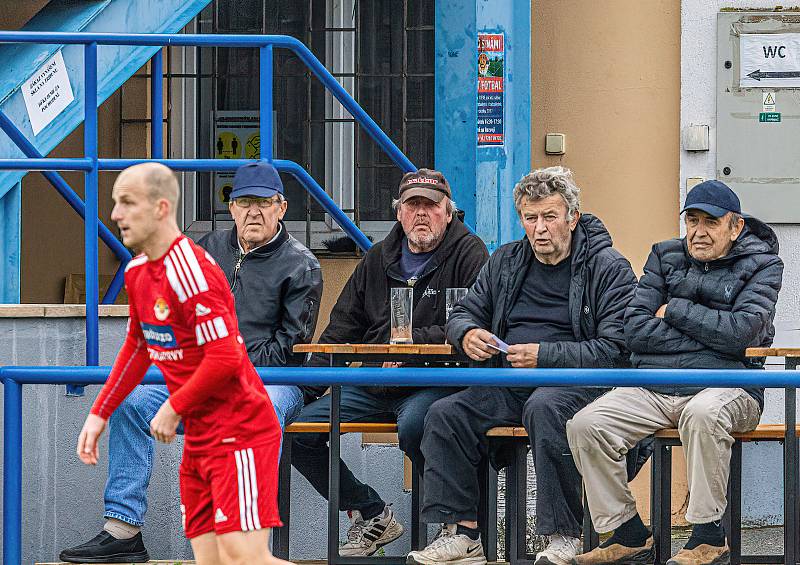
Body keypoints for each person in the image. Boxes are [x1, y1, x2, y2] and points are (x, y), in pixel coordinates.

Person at [61, 161, 321, 563]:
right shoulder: (205, 249)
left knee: (262, 410)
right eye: (244, 203)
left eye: (264, 203)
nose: (253, 212)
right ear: (231, 208)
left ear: (281, 208)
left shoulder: (302, 264)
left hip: (272, 379)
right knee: (135, 404)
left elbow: (287, 349)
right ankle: (123, 528)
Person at [405, 166, 637, 565]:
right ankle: (463, 534)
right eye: (531, 218)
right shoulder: (507, 260)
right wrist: (465, 334)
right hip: (508, 378)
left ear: (572, 217)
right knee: (444, 414)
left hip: (578, 382)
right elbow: (465, 311)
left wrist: (544, 355)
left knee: (544, 408)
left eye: (549, 216)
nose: (540, 228)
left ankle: (564, 535)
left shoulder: (608, 267)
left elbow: (617, 348)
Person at [568, 180, 784, 565]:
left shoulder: (765, 264)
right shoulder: (664, 256)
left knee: (703, 413)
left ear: (735, 227)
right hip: (657, 385)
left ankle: (707, 537)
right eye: (692, 221)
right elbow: (633, 329)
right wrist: (709, 338)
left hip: (731, 386)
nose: (698, 232)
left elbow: (742, 334)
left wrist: (676, 311)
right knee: (586, 423)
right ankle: (627, 533)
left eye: (711, 223)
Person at [291, 168, 489, 556]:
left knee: (419, 425)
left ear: (448, 212)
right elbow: (342, 326)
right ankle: (372, 513)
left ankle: (460, 528)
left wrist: (410, 348)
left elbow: (470, 326)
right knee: (297, 431)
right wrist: (308, 384)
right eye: (413, 205)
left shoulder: (470, 252)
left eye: (430, 207)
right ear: (399, 212)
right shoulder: (378, 256)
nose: (421, 214)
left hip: (436, 380)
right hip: (375, 381)